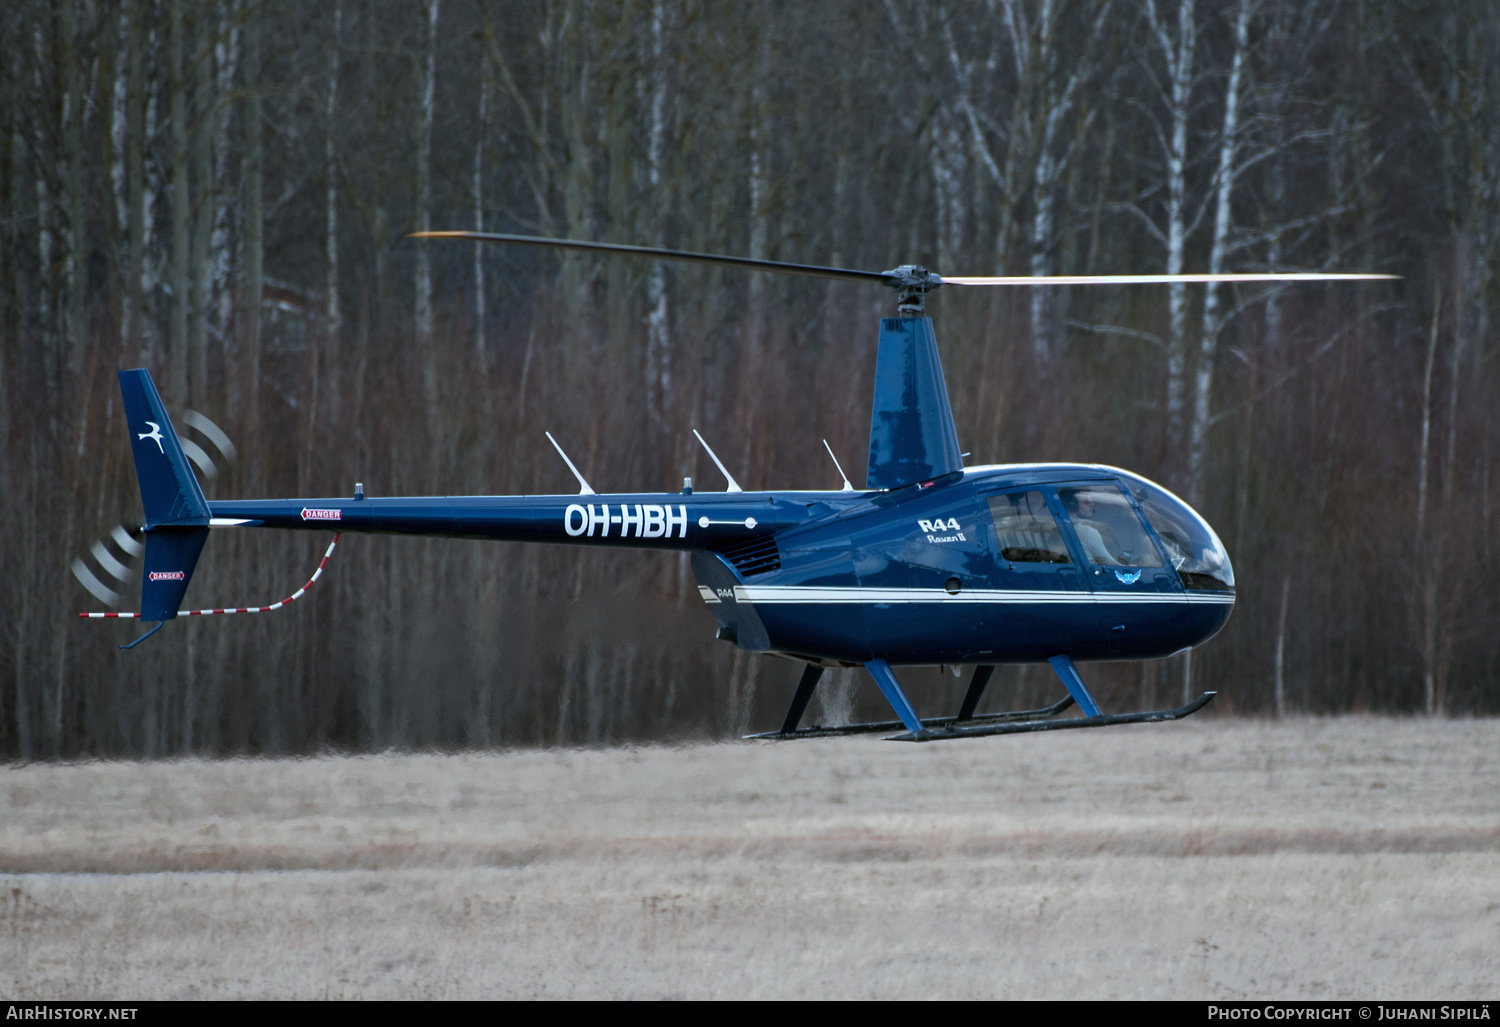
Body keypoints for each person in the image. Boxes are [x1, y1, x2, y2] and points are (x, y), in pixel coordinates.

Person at [1070, 491, 1120, 565]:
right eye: (1086, 502)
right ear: (1073, 504)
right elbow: (1113, 565)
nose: (1092, 505)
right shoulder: (1086, 531)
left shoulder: (1059, 527)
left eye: (1092, 502)